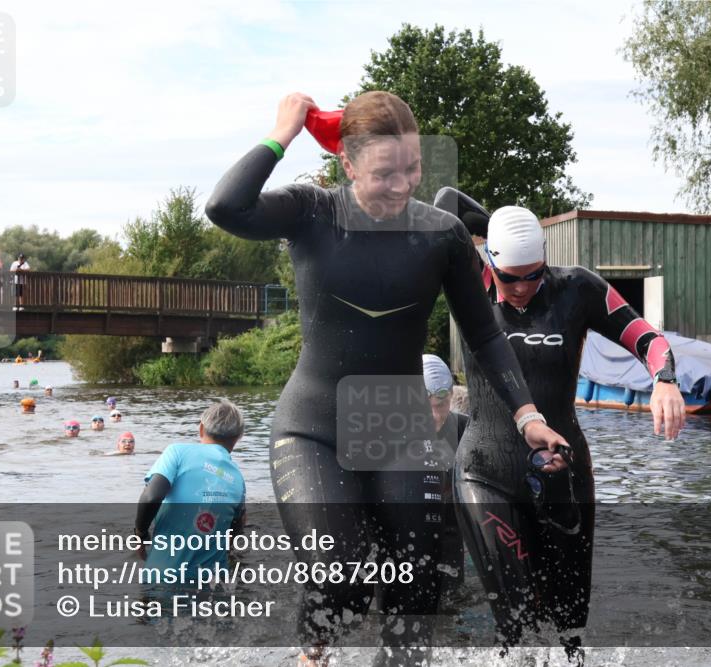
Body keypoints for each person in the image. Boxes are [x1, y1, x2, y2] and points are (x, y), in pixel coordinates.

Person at [205, 90, 567, 666]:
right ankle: (312, 655)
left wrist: (528, 416)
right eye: (383, 172)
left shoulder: (441, 234)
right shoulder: (311, 211)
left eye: (412, 168)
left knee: (418, 592)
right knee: (340, 580)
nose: (401, 185)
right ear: (347, 164)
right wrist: (282, 134)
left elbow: (485, 335)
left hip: (395, 426)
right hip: (313, 428)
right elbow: (225, 207)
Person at [437, 194, 686, 662]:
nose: (522, 287)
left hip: (562, 473)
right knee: (515, 616)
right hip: (485, 468)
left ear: (545, 260)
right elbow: (444, 202)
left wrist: (664, 380)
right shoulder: (469, 278)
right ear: (490, 261)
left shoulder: (579, 288)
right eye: (510, 277)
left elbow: (647, 338)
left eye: (533, 274)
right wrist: (503, 225)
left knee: (570, 625)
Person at [134, 401, 246, 573]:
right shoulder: (238, 479)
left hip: (163, 576)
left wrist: (140, 535)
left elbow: (151, 496)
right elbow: (235, 531)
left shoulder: (177, 452)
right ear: (238, 437)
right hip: (212, 583)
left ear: (201, 428)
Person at [421, 354, 469, 593]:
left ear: (450, 397)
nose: (433, 416)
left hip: (448, 535)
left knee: (452, 602)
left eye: (440, 405)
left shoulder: (466, 429)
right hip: (401, 532)